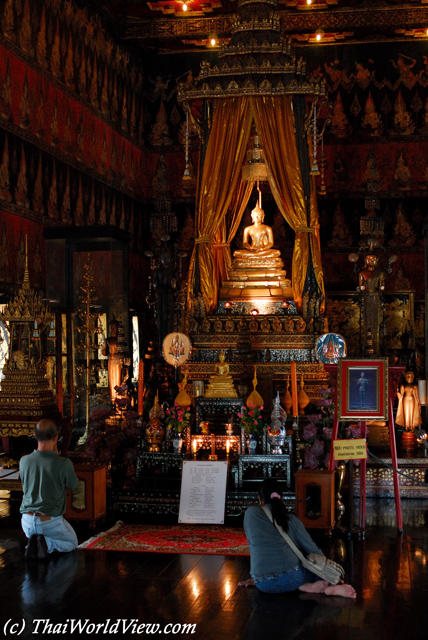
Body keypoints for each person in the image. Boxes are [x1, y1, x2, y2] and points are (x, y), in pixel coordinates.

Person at [239, 479, 356, 598]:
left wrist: (262, 574)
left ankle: (304, 587)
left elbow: (255, 548)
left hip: (261, 583)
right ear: (281, 497)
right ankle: (325, 587)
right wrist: (329, 572)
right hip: (292, 578)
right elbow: (312, 550)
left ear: (260, 499)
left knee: (291, 570)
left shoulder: (250, 514)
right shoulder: (291, 520)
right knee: (311, 564)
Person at [20, 419, 79, 560]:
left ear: (34, 436)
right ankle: (47, 544)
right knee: (72, 543)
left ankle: (32, 543)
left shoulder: (24, 461)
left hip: (26, 522)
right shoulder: (63, 463)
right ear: (56, 437)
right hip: (50, 522)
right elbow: (73, 485)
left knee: (35, 533)